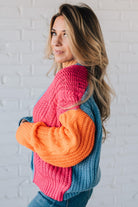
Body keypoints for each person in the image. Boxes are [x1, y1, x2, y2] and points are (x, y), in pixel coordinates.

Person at [16, 3, 113, 207]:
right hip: (70, 191)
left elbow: (73, 143)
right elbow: (63, 122)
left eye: (66, 34)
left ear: (83, 38)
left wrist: (27, 132)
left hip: (59, 195)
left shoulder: (70, 80)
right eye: (54, 33)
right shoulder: (77, 75)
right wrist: (31, 122)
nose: (56, 42)